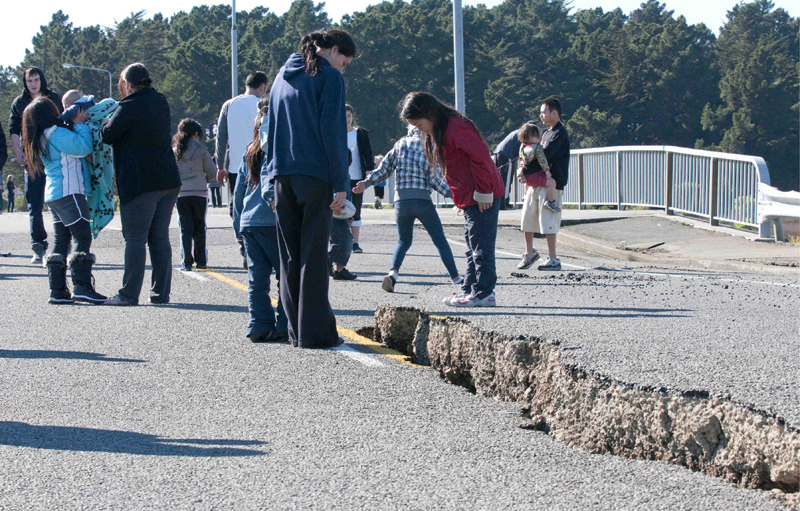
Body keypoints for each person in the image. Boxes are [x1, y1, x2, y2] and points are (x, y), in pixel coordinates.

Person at [260, 29, 356, 349]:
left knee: (290, 257)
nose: (343, 68)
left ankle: (296, 332)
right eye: (345, 62)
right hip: (315, 176)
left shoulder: (280, 78)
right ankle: (316, 334)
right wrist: (341, 183)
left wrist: (269, 179)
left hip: (281, 177)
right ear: (335, 51)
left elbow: (269, 130)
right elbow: (332, 132)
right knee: (313, 256)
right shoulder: (328, 77)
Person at [399, 92, 505, 308]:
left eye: (419, 125)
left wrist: (484, 191)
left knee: (481, 245)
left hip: (481, 195)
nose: (420, 131)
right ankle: (470, 290)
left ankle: (484, 293)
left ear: (429, 113)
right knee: (472, 244)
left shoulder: (456, 127)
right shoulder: (443, 128)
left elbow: (481, 156)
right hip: (471, 196)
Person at [101, 63, 182, 305]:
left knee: (135, 238)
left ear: (127, 84)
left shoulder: (128, 106)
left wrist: (105, 121)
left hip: (141, 182)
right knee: (159, 238)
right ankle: (160, 293)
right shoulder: (160, 100)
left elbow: (107, 135)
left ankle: (128, 294)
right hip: (168, 178)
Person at [353, 126, 462, 293]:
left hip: (401, 202)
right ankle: (456, 278)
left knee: (403, 241)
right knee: (439, 240)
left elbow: (384, 169)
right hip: (422, 200)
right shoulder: (429, 145)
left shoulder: (400, 144)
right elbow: (435, 179)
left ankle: (393, 273)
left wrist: (366, 184)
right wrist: (456, 197)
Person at [21, 97, 107, 304]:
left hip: (53, 194)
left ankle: (57, 290)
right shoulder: (56, 133)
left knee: (62, 240)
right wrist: (79, 124)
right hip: (69, 192)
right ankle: (82, 286)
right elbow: (83, 147)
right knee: (83, 237)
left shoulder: (40, 137)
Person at [233, 104, 288, 343]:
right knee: (285, 276)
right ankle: (286, 323)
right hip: (271, 219)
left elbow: (237, 196)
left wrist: (238, 229)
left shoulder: (249, 152)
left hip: (249, 221)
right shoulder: (276, 149)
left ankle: (258, 325)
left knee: (257, 279)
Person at [215, 71, 269, 267]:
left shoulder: (229, 105)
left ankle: (243, 245)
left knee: (238, 207)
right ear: (262, 86)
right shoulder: (265, 105)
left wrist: (220, 165)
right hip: (260, 163)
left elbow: (221, 138)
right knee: (260, 206)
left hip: (236, 165)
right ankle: (259, 248)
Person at [8, 67, 62, 264]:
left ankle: (62, 245)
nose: (33, 83)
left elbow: (63, 122)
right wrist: (18, 151)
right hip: (32, 159)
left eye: (36, 79)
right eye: (29, 80)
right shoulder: (19, 103)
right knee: (35, 204)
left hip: (55, 156)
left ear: (42, 79)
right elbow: (13, 129)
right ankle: (38, 246)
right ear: (25, 82)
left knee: (60, 201)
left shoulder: (53, 98)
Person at [519, 97, 571, 271]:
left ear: (554, 112)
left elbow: (545, 157)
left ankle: (554, 258)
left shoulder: (559, 134)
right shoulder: (546, 132)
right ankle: (530, 253)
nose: (541, 115)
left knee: (548, 220)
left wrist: (524, 171)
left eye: (543, 112)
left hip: (551, 184)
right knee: (527, 217)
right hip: (536, 182)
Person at [173, 119, 215, 271]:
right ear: (196, 134)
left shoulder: (175, 151)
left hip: (181, 194)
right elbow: (212, 171)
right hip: (199, 193)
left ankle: (186, 261)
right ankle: (201, 260)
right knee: (199, 227)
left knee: (185, 228)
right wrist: (205, 180)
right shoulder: (202, 151)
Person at [344, 104, 374, 253]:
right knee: (339, 210)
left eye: (349, 116)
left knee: (355, 210)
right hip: (339, 179)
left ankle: (355, 243)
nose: (346, 119)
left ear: (352, 117)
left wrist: (369, 169)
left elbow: (368, 153)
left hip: (356, 177)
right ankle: (342, 241)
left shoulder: (360, 133)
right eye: (343, 116)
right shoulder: (334, 133)